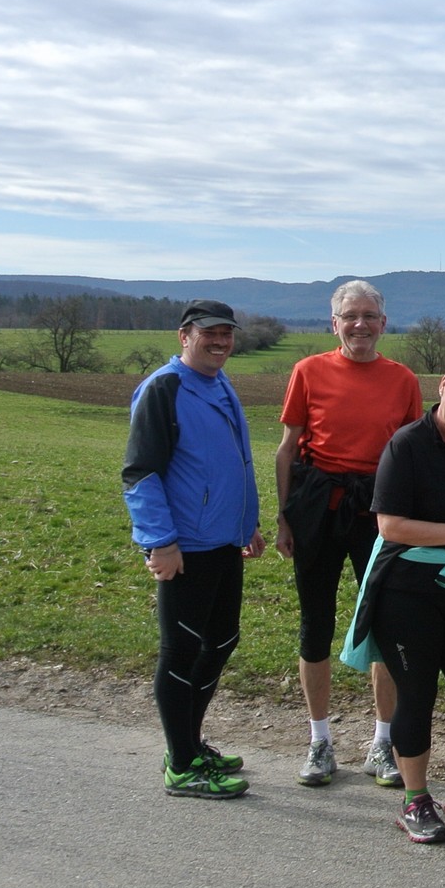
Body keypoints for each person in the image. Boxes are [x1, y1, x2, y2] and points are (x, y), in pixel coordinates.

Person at [344, 347, 445, 848]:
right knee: (416, 695)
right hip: (406, 591)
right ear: (443, 387)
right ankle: (415, 800)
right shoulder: (407, 444)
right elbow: (390, 525)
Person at [274, 279, 424, 789]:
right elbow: (287, 449)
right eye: (350, 316)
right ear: (334, 323)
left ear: (384, 323)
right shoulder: (308, 371)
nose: (360, 325)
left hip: (376, 510)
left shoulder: (403, 379)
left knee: (385, 624)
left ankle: (383, 742)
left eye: (369, 316)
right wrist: (284, 517)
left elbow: (412, 453)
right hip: (318, 504)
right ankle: (319, 740)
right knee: (315, 623)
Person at [123, 300, 266, 799]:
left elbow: (232, 463)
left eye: (227, 333)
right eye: (210, 333)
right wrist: (159, 542)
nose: (220, 341)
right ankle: (181, 765)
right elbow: (140, 473)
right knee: (181, 652)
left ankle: (189, 743)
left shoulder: (219, 382)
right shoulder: (164, 387)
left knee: (221, 642)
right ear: (184, 335)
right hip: (185, 547)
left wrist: (247, 525)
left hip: (224, 542)